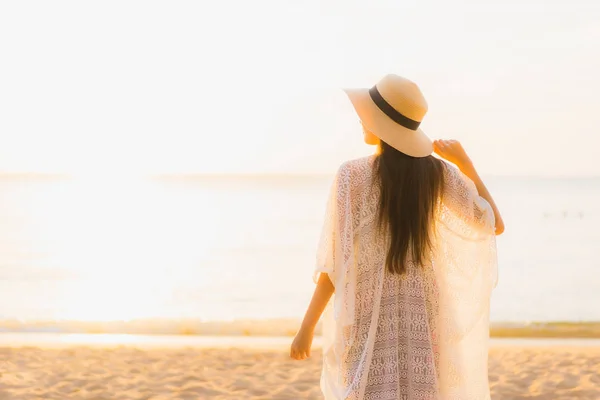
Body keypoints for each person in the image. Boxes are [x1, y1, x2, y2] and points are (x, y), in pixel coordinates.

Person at [290, 74, 504, 400]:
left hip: (366, 310)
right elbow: (493, 223)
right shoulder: (439, 173)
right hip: (426, 307)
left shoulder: (351, 175)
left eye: (366, 115)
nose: (360, 120)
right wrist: (465, 164)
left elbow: (336, 262)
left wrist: (306, 327)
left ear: (381, 123)